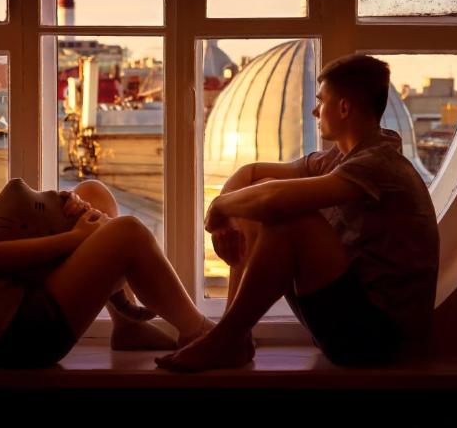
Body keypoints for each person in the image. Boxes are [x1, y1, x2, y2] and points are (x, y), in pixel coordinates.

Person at [0, 91, 216, 368]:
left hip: (13, 311)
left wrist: (59, 214)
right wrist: (75, 237)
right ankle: (202, 334)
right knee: (130, 233)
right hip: (13, 335)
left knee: (92, 194)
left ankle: (127, 326)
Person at [157, 53, 440, 372]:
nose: (315, 110)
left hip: (382, 343)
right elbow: (252, 175)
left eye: (322, 101)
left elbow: (275, 201)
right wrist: (229, 215)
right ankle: (234, 337)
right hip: (352, 327)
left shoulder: (379, 164)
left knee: (290, 218)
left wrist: (219, 208)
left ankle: (225, 339)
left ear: (344, 107)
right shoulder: (338, 159)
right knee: (259, 195)